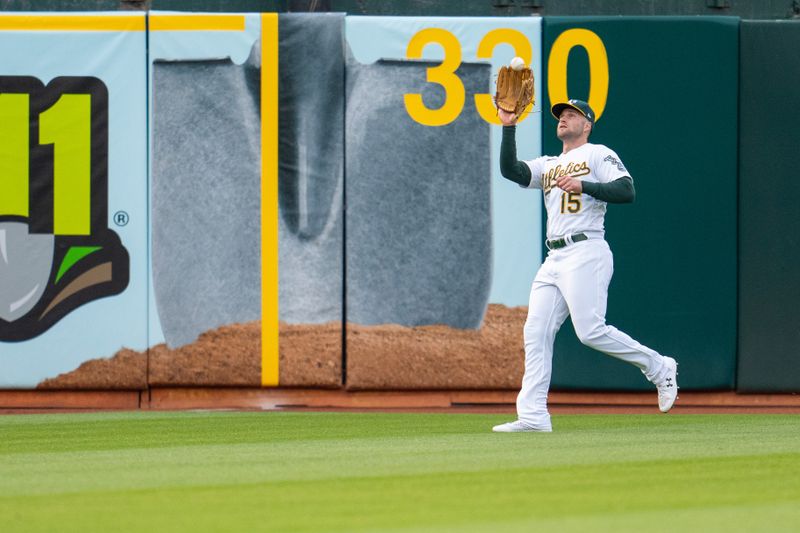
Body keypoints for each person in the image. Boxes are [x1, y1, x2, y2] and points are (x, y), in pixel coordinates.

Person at [492, 99, 678, 433]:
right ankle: (533, 416)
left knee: (590, 330)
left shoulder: (596, 153)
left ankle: (659, 366)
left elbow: (626, 190)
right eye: (561, 115)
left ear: (587, 125)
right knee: (535, 332)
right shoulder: (549, 164)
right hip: (554, 258)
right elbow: (511, 170)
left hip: (586, 249)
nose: (563, 118)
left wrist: (584, 185)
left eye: (572, 115)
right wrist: (508, 125)